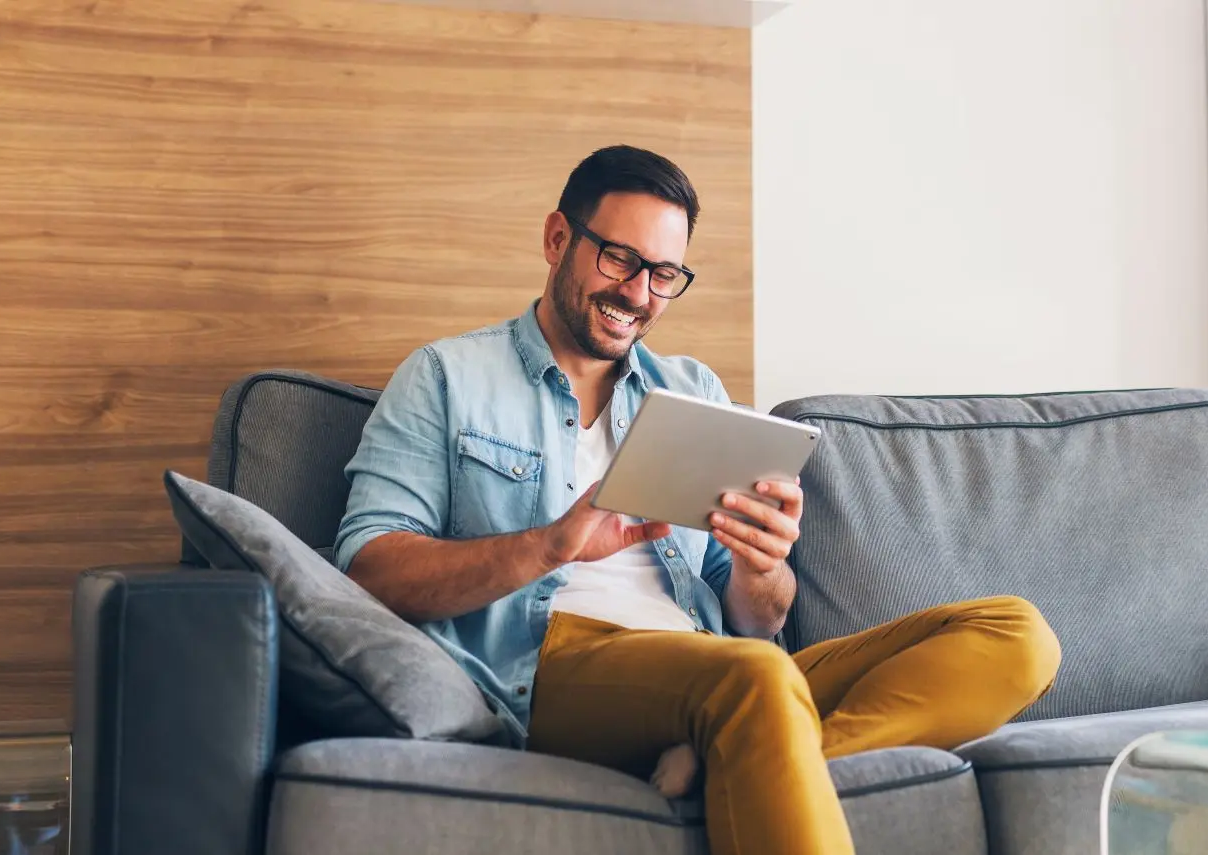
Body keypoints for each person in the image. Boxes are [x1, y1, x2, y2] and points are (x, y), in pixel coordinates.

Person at [335, 144, 1062, 855]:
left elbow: (757, 620)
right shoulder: (447, 377)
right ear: (558, 238)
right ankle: (741, 739)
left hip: (715, 666)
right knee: (755, 678)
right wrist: (548, 545)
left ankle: (728, 754)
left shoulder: (691, 392)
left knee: (1014, 634)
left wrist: (760, 568)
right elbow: (370, 571)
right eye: (619, 259)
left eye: (664, 274)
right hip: (552, 667)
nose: (638, 293)